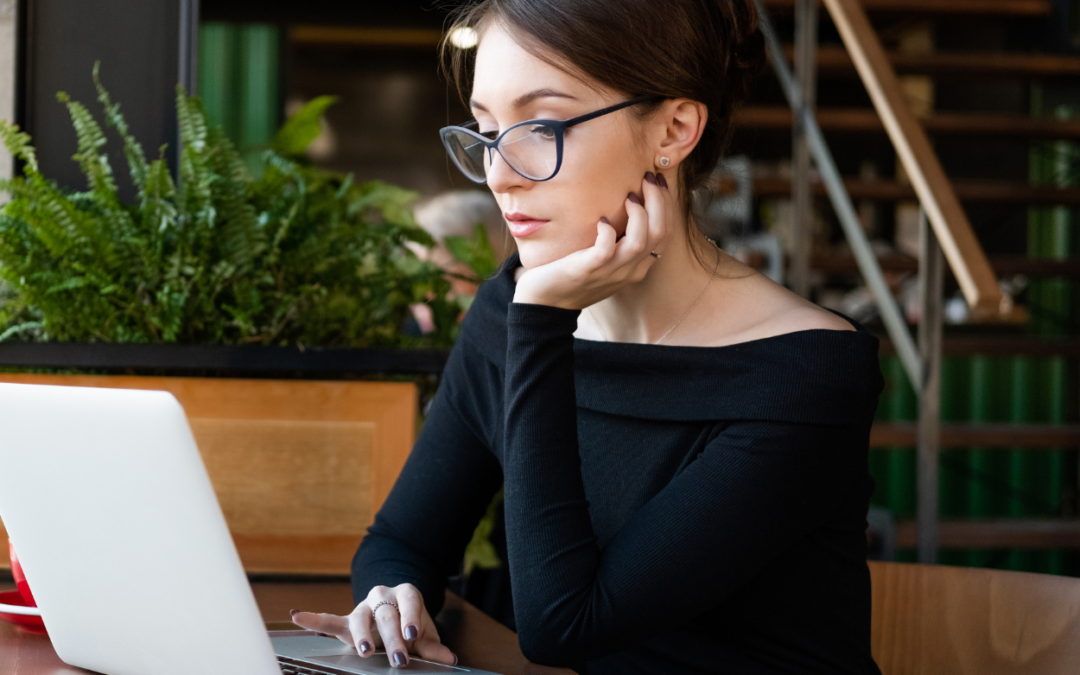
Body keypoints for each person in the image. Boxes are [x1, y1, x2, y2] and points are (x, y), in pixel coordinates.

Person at [292, 1, 885, 673]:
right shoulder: (507, 309)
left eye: (541, 126)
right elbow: (403, 537)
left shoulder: (803, 373)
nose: (500, 172)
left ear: (674, 129)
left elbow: (565, 624)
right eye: (486, 131)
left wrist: (544, 319)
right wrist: (393, 596)